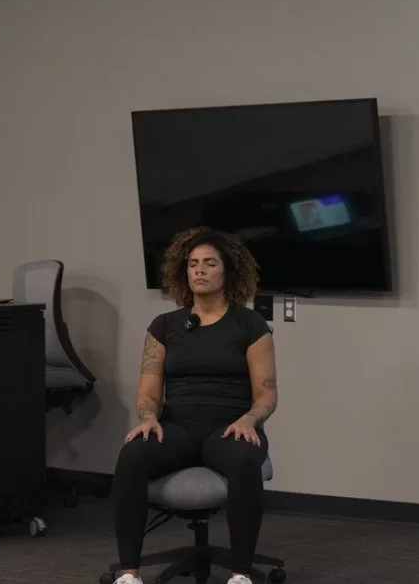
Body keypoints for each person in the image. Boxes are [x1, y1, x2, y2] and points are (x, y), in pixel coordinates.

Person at [111, 226, 279, 584]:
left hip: (231, 425)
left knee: (243, 458)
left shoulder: (249, 324)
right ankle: (129, 573)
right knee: (132, 454)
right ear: (183, 272)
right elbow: (149, 389)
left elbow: (266, 392)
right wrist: (147, 417)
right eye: (193, 264)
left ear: (227, 271)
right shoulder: (165, 325)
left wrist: (251, 420)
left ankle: (240, 574)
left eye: (209, 263)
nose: (199, 270)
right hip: (178, 427)